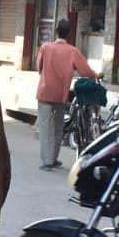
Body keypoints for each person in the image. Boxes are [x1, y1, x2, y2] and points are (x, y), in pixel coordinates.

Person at [35, 17, 99, 170]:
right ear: (69, 34)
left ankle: (47, 161)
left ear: (56, 31)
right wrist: (97, 75)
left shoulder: (45, 47)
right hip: (61, 95)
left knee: (45, 128)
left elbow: (39, 68)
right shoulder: (72, 51)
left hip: (44, 92)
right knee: (58, 127)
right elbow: (86, 72)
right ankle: (54, 158)